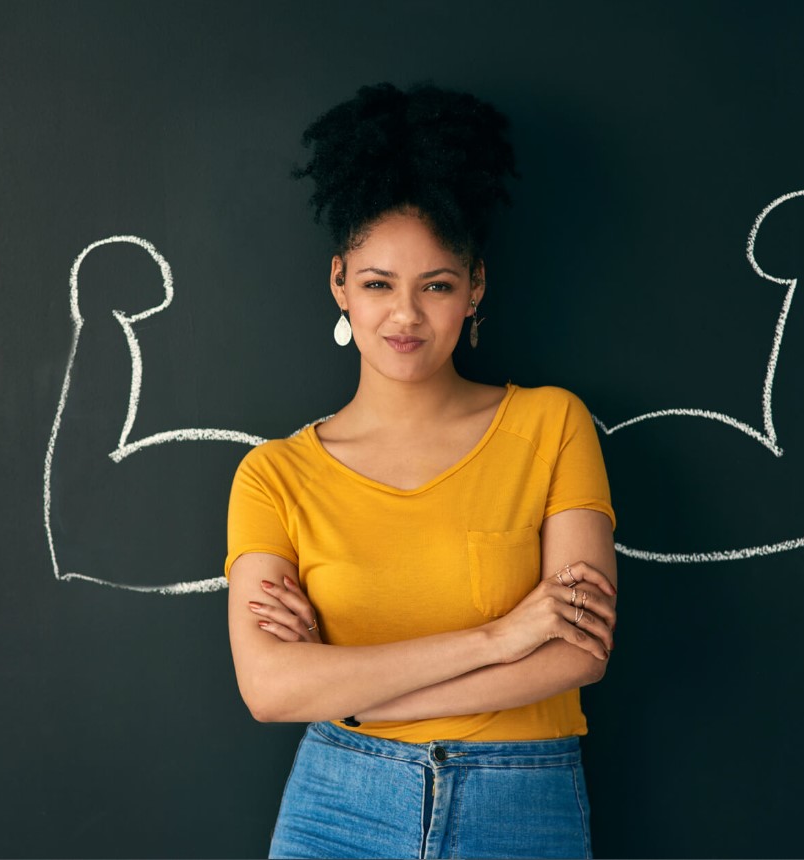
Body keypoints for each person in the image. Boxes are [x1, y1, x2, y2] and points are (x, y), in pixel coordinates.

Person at [225, 82, 618, 860]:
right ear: (340, 282)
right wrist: (503, 638)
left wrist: (352, 692)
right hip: (336, 803)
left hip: (520, 801)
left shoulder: (550, 424)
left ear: (476, 287)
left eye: (436, 285)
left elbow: (580, 651)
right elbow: (270, 690)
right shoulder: (273, 475)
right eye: (378, 284)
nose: (405, 316)